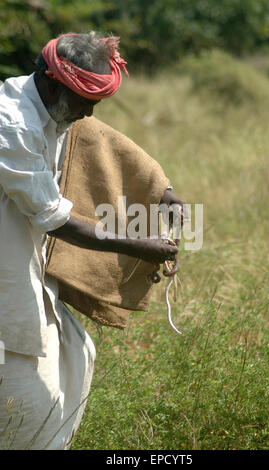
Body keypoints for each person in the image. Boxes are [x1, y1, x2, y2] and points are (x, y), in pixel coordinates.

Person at [0, 32, 182, 450]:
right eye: (85, 101)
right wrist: (137, 245)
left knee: (77, 355)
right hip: (6, 283)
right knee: (27, 405)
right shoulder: (11, 123)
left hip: (27, 276)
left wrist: (160, 191)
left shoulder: (53, 110)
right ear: (52, 82)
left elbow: (101, 144)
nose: (89, 113)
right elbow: (53, 218)